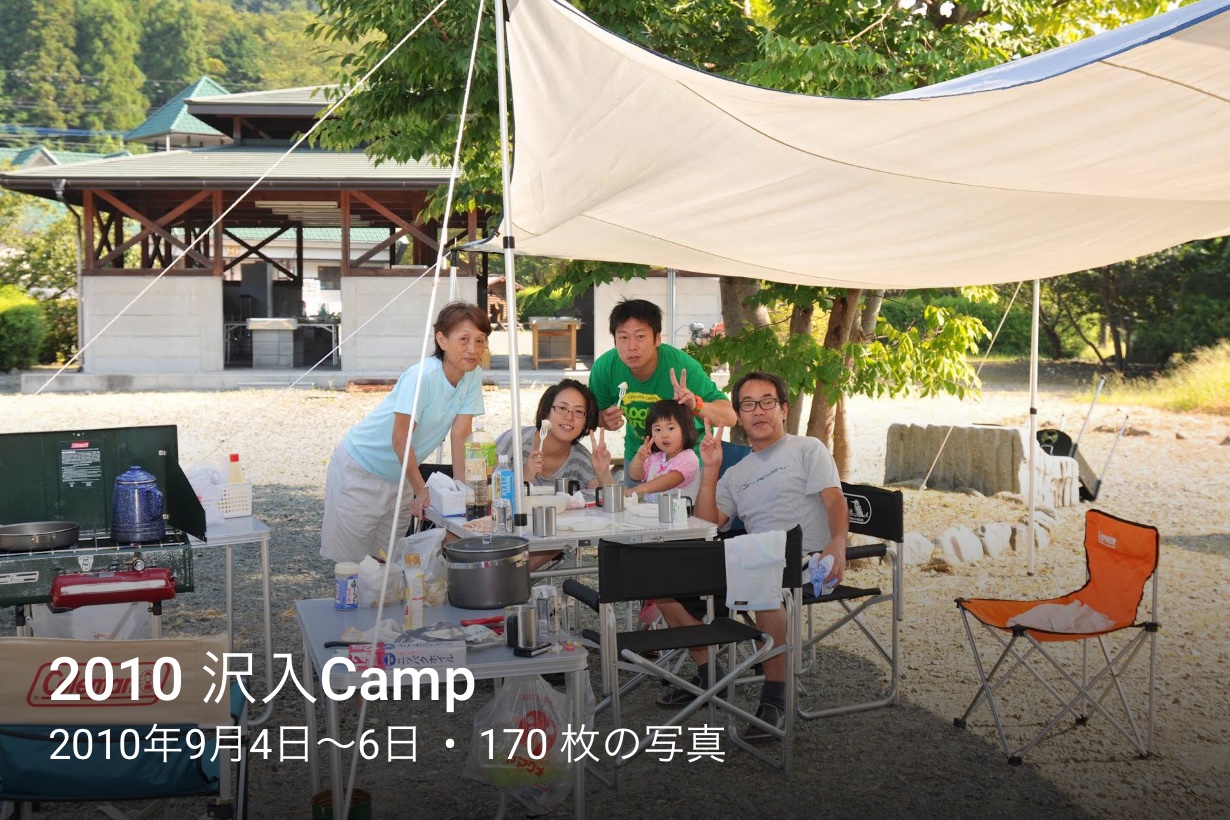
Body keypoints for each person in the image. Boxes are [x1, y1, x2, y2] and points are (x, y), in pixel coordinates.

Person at [655, 370, 850, 744]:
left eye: (767, 402)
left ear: (783, 409)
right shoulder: (736, 472)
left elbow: (835, 501)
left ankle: (774, 700)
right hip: (752, 557)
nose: (758, 411)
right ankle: (711, 673)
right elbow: (708, 525)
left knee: (763, 579)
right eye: (747, 404)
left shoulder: (807, 449)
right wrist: (711, 471)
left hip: (805, 561)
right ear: (739, 416)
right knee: (662, 585)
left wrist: (838, 544)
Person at [320, 301, 490, 563]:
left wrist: (463, 492)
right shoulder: (423, 375)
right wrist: (421, 490)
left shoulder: (472, 375)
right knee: (351, 565)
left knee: (387, 562)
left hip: (401, 477)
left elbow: (460, 435)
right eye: (464, 339)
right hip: (361, 468)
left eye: (480, 341)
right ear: (442, 340)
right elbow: (401, 438)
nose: (473, 349)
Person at [589, 298, 736, 474]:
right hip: (639, 458)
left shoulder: (683, 368)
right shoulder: (605, 368)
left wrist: (695, 405)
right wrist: (603, 420)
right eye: (623, 337)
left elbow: (730, 417)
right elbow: (591, 417)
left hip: (689, 461)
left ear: (657, 338)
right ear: (615, 341)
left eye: (640, 336)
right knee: (634, 492)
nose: (631, 346)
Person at [495, 378, 615, 491]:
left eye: (578, 411)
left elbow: (604, 498)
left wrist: (604, 473)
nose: (569, 417)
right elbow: (488, 487)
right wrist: (526, 477)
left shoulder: (581, 460)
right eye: (562, 408)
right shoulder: (514, 440)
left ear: (585, 423)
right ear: (546, 412)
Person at [625, 400, 701, 502]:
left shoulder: (689, 458)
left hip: (678, 511)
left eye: (670, 428)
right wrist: (639, 458)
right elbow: (635, 475)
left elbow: (670, 480)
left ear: (686, 429)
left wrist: (638, 489)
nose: (664, 435)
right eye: (658, 430)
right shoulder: (655, 457)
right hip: (650, 509)